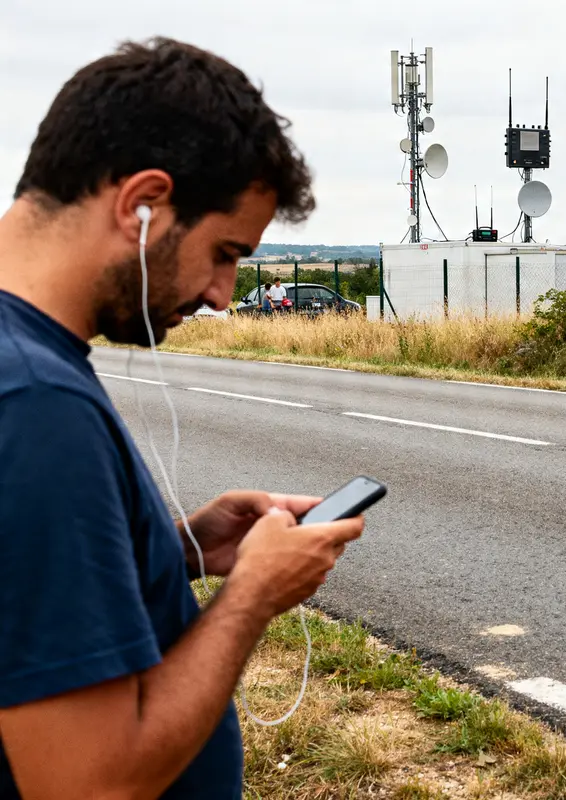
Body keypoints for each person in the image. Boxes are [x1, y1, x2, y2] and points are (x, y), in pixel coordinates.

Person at [0, 38, 364, 799]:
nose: (224, 295)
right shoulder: (38, 405)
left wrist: (178, 553)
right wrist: (252, 597)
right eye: (224, 252)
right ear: (142, 204)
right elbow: (87, 785)